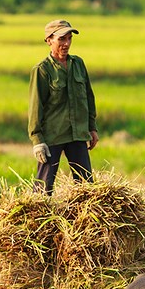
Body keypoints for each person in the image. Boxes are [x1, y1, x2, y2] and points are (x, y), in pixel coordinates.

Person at [28, 19, 99, 195]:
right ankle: (38, 220)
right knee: (43, 190)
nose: (66, 43)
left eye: (69, 38)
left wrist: (92, 128)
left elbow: (89, 97)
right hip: (53, 135)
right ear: (49, 40)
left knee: (86, 188)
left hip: (77, 134)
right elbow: (36, 107)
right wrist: (37, 141)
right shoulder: (42, 70)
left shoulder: (78, 64)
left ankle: (86, 221)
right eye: (61, 39)